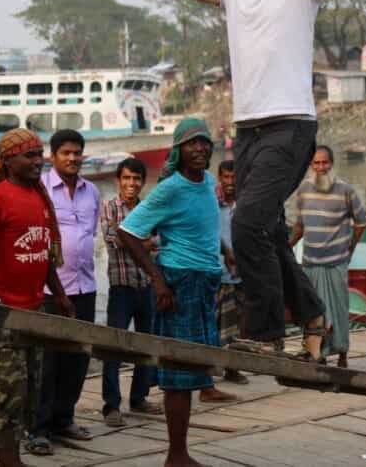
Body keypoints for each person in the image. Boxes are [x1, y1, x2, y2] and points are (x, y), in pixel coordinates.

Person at [160, 0, 366, 361]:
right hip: (248, 128)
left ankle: (268, 330)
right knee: (269, 230)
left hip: (290, 124)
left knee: (248, 223)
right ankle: (314, 313)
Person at [116, 118, 227, 467]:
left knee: (194, 370)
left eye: (204, 142)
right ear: (178, 151)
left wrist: (228, 253)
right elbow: (127, 232)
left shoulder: (208, 182)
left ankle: (180, 452)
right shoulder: (171, 188)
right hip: (180, 283)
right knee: (179, 374)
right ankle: (176, 455)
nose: (199, 148)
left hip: (206, 283)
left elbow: (206, 226)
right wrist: (157, 279)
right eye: (191, 143)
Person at [0, 129, 74, 467]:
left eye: (39, 153)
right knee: (7, 395)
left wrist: (59, 296)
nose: (37, 161)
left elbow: (42, 254)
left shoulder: (39, 198)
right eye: (29, 155)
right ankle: (7, 460)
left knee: (30, 391)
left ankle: (15, 454)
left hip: (35, 310)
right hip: (6, 313)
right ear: (8, 160)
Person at [27, 130, 100, 455]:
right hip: (50, 290)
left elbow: (91, 232)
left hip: (86, 286)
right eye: (66, 153)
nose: (72, 158)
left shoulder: (92, 191)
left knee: (78, 357)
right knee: (48, 361)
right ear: (53, 157)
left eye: (77, 153)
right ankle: (38, 429)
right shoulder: (40, 189)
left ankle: (64, 419)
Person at [291, 145, 366, 369]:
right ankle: (318, 354)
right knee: (312, 311)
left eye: (324, 162)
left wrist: (350, 249)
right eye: (316, 163)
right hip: (310, 263)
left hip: (336, 262)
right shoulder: (304, 190)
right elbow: (299, 226)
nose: (321, 167)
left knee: (339, 310)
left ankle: (342, 354)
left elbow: (361, 221)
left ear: (332, 164)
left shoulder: (346, 189)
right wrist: (286, 249)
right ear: (310, 165)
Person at [100, 157, 165, 428]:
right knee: (114, 346)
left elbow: (162, 239)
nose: (131, 184)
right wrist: (144, 243)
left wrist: (140, 241)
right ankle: (111, 406)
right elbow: (114, 240)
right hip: (121, 287)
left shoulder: (148, 208)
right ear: (119, 180)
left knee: (145, 343)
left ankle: (139, 398)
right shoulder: (109, 207)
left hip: (145, 286)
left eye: (136, 179)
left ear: (142, 181)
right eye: (126, 178)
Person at [215, 160, 246, 385]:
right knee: (217, 322)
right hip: (218, 271)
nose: (229, 182)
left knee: (237, 323)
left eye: (233, 177)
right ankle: (216, 367)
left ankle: (233, 367)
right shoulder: (213, 204)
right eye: (225, 177)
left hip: (242, 272)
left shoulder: (245, 204)